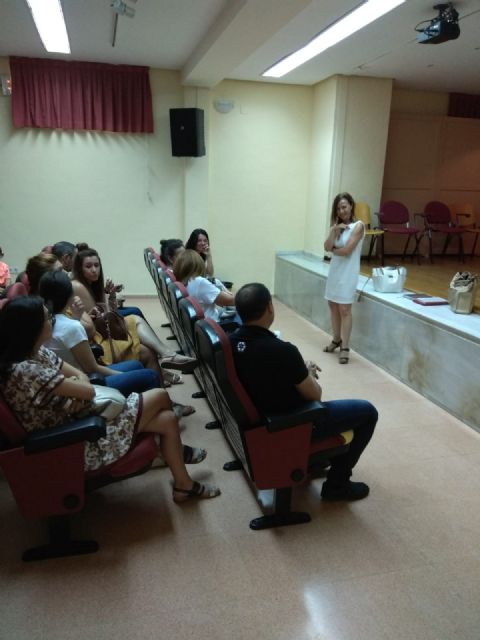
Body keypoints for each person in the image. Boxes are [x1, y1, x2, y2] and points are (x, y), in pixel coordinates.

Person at [0, 296, 220, 502]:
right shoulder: (26, 371)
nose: (52, 320)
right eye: (47, 318)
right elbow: (88, 390)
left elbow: (84, 379)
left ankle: (183, 485)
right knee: (161, 395)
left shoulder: (37, 353)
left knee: (168, 419)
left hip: (79, 419)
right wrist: (79, 385)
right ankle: (176, 452)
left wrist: (77, 385)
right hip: (74, 441)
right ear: (31, 328)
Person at [230, 283, 377, 501]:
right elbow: (315, 395)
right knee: (367, 412)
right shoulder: (283, 351)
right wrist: (306, 372)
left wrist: (297, 370)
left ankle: (316, 461)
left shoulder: (230, 342)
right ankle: (337, 485)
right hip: (291, 423)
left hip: (257, 418)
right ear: (270, 307)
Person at [38, 270, 195, 417]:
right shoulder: (70, 326)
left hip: (78, 378)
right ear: (69, 294)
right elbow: (91, 368)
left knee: (138, 365)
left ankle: (155, 410)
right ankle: (163, 415)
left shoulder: (49, 320)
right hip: (89, 382)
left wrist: (78, 317)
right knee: (149, 376)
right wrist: (124, 375)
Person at [71, 245, 197, 381]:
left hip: (103, 333)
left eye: (96, 265)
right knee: (137, 323)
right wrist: (107, 297)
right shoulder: (79, 286)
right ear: (80, 269)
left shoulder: (91, 284)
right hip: (98, 341)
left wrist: (110, 294)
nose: (94, 270)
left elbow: (107, 314)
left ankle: (165, 362)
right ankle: (166, 357)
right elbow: (101, 321)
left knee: (140, 331)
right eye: (88, 266)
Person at [323, 192, 365, 364]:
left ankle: (345, 347)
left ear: (351, 206)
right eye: (338, 208)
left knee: (345, 310)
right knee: (333, 305)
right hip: (335, 271)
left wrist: (333, 250)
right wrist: (334, 230)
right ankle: (336, 339)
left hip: (348, 273)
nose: (341, 210)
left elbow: (347, 251)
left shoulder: (359, 225)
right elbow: (326, 246)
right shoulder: (337, 227)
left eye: (344, 206)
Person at [173, 249, 236, 323]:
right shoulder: (198, 282)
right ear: (198, 264)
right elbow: (229, 301)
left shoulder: (182, 281)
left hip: (199, 325)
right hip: (213, 324)